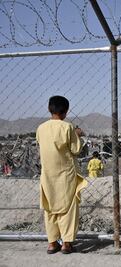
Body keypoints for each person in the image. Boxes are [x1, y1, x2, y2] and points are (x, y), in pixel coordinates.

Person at [36, 95, 88, 254]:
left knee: (50, 209)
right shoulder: (68, 128)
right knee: (69, 207)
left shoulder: (41, 128)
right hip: (66, 175)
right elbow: (76, 149)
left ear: (49, 109)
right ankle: (66, 244)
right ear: (65, 112)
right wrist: (78, 134)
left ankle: (52, 243)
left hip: (47, 176)